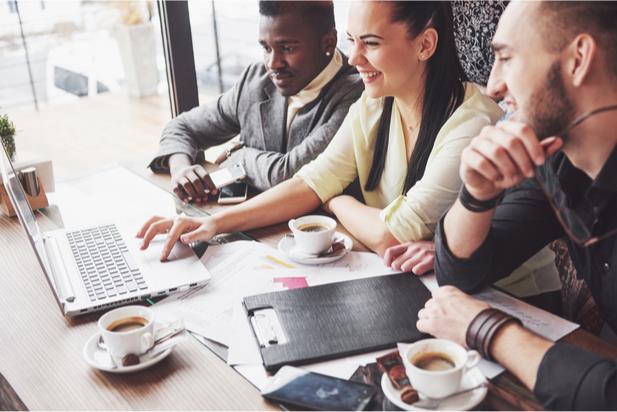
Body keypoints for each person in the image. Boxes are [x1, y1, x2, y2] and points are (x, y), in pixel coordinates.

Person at [137, 1, 502, 267]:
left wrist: (335, 200)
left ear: (425, 44)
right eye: (352, 40)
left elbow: (393, 234)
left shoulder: (472, 121)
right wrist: (210, 224)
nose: (354, 57)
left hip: (504, 298)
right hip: (419, 282)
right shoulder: (375, 105)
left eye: (371, 43)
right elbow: (309, 183)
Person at [417, 1, 617, 409]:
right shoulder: (555, 163)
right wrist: (476, 193)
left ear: (578, 60)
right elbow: (461, 272)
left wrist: (491, 331)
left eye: (506, 58)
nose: (493, 86)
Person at [148, 1, 363, 203]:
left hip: (320, 235)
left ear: (328, 42)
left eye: (287, 48)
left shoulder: (356, 94)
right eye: (266, 48)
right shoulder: (256, 80)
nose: (273, 63)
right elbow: (181, 127)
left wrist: (236, 155)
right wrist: (180, 168)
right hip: (247, 228)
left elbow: (289, 176)